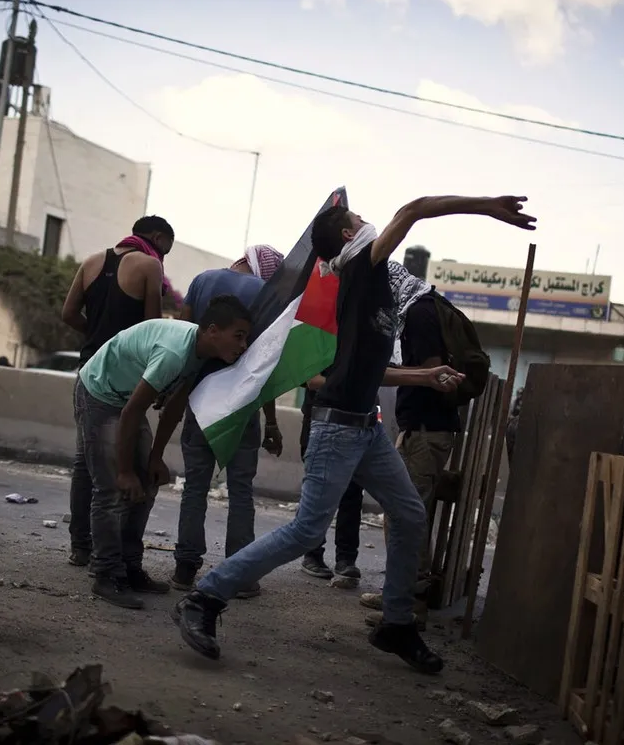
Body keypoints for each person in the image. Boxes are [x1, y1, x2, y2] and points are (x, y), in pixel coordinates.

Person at [173, 193, 536, 674]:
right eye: (359, 219)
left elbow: (368, 369)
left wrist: (423, 377)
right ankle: (206, 598)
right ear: (350, 235)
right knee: (307, 530)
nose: (368, 220)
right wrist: (486, 205)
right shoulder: (363, 265)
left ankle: (397, 624)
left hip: (365, 427)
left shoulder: (372, 288)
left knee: (409, 515)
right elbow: (414, 208)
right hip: (337, 427)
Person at [75, 295, 253, 609]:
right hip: (100, 395)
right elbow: (132, 411)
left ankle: (130, 567)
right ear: (212, 330)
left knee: (147, 483)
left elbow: (173, 409)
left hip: (126, 402)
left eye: (246, 338)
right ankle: (105, 574)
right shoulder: (175, 352)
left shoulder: (198, 354)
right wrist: (125, 471)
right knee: (113, 489)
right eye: (238, 336)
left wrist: (154, 459)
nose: (242, 345)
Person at [61, 215, 175, 568]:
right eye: (166, 249)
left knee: (86, 464)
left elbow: (68, 314)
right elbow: (153, 329)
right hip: (123, 379)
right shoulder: (149, 266)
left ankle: (81, 547)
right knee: (121, 472)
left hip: (87, 370)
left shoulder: (92, 261)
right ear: (157, 238)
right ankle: (115, 557)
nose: (164, 258)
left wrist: (98, 337)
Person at [172, 245, 285, 598]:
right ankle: (240, 574)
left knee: (194, 488)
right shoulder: (267, 294)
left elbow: (185, 340)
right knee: (240, 492)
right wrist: (271, 422)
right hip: (243, 405)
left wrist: (172, 391)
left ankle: (184, 569)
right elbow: (265, 365)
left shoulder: (203, 280)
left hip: (200, 399)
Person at [360, 261, 461, 628]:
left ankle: (409, 606)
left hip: (426, 430)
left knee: (409, 516)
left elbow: (437, 375)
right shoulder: (416, 310)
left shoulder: (419, 315)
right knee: (403, 514)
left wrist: (400, 376)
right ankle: (399, 595)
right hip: (417, 428)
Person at [299, 367, 366, 582]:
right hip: (319, 419)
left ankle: (346, 559)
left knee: (353, 492)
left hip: (354, 420)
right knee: (318, 492)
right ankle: (312, 554)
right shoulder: (321, 339)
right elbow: (313, 381)